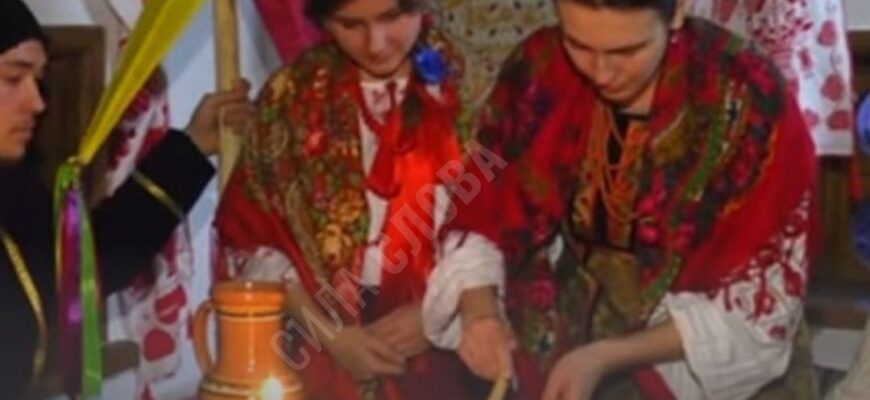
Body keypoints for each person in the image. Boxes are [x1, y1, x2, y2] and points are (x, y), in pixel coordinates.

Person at [422, 0, 819, 399]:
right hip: (575, 339)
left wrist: (604, 357)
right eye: (578, 44)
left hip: (702, 360)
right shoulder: (540, 69)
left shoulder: (748, 98)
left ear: (678, 10)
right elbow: (480, 198)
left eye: (627, 51)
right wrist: (480, 311)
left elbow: (755, 307)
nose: (601, 72)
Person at [214, 0, 487, 399]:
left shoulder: (472, 90)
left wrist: (444, 311)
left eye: (392, 17)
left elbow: (510, 226)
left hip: (451, 359)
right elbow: (251, 234)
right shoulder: (292, 97)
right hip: (323, 351)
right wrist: (333, 336)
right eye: (350, 24)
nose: (376, 44)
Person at [0, 1, 253, 398]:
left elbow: (82, 267)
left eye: (38, 80)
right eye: (13, 77)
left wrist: (190, 148)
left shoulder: (13, 190)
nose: (37, 102)